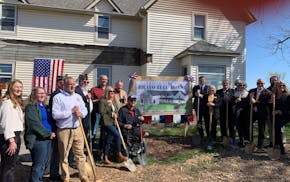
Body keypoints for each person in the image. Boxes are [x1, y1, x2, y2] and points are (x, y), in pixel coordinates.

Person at [52, 76, 89, 182]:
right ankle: (65, 176)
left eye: (74, 84)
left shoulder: (77, 96)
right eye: (70, 84)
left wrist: (81, 113)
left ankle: (83, 175)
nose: (73, 86)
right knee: (64, 155)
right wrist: (71, 112)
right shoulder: (58, 97)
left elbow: (85, 110)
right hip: (64, 130)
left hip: (77, 128)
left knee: (80, 154)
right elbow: (55, 115)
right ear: (64, 85)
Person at [24, 87, 56, 182]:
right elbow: (34, 124)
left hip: (48, 139)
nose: (42, 95)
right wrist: (48, 133)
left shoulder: (46, 107)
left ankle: (38, 179)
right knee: (38, 164)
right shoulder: (31, 107)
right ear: (34, 94)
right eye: (40, 93)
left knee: (45, 163)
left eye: (44, 93)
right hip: (38, 139)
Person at [0, 79, 24, 182]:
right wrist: (11, 140)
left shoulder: (16, 102)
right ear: (11, 88)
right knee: (8, 167)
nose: (19, 89)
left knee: (10, 166)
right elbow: (5, 123)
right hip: (9, 137)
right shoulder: (7, 103)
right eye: (16, 87)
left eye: (20, 87)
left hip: (16, 135)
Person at [99, 86, 127, 165]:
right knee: (117, 135)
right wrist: (109, 106)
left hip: (113, 122)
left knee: (109, 140)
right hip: (106, 123)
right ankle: (119, 153)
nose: (112, 93)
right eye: (110, 92)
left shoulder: (113, 101)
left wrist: (116, 114)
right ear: (106, 93)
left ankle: (105, 158)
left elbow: (117, 110)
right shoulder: (103, 101)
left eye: (113, 92)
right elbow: (102, 112)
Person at [48, 75, 64, 180]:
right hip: (56, 125)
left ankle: (55, 171)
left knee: (59, 151)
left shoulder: (63, 94)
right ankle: (53, 174)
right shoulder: (56, 94)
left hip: (61, 125)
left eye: (63, 81)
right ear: (58, 83)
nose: (62, 83)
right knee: (56, 151)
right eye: (61, 82)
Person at [248, 79, 272, 151]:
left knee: (261, 129)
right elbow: (247, 101)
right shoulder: (252, 91)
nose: (260, 85)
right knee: (249, 126)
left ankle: (260, 145)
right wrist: (250, 99)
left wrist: (255, 103)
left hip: (262, 113)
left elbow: (265, 103)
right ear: (256, 83)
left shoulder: (268, 92)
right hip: (253, 113)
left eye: (262, 83)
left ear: (264, 84)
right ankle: (250, 142)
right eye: (258, 83)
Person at [75, 74, 93, 148]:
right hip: (81, 115)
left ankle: (82, 148)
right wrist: (85, 98)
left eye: (87, 82)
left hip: (88, 114)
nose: (86, 84)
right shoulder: (77, 89)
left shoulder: (86, 90)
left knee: (86, 131)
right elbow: (77, 101)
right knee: (81, 133)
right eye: (84, 82)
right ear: (80, 81)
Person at [91, 74, 108, 149]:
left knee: (104, 132)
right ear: (99, 80)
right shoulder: (94, 89)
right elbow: (90, 101)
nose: (104, 81)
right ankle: (90, 149)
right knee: (94, 132)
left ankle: (101, 149)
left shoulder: (109, 90)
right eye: (102, 79)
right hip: (97, 114)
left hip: (106, 115)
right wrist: (99, 100)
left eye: (105, 79)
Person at [216, 79, 235, 144]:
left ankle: (232, 138)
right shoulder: (218, 91)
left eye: (227, 83)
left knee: (231, 125)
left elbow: (234, 100)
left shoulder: (233, 91)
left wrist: (230, 99)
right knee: (223, 125)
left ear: (229, 84)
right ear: (222, 84)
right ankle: (224, 138)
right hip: (222, 110)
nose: (225, 85)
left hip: (230, 111)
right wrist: (223, 99)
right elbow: (217, 100)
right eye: (224, 83)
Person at [272, 81, 289, 154]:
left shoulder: (287, 96)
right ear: (276, 87)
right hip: (276, 115)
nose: (281, 87)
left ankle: (281, 147)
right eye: (279, 86)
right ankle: (277, 145)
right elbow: (270, 105)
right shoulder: (274, 96)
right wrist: (271, 100)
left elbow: (288, 108)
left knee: (278, 126)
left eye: (283, 85)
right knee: (276, 128)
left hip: (286, 115)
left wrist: (279, 111)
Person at [192, 76, 209, 141]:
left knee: (206, 121)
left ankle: (208, 135)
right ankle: (201, 135)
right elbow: (192, 95)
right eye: (201, 80)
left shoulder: (207, 88)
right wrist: (195, 94)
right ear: (199, 81)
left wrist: (201, 95)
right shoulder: (195, 87)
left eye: (203, 80)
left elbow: (208, 96)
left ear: (205, 81)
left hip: (205, 107)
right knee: (199, 121)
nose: (202, 81)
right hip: (198, 107)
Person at [233, 81, 250, 147]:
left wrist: (242, 108)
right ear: (238, 86)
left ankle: (246, 141)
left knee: (245, 127)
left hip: (245, 113)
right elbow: (232, 102)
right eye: (240, 85)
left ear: (245, 86)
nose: (242, 86)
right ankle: (241, 140)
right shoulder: (236, 93)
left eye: (243, 85)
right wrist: (235, 101)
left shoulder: (247, 94)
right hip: (237, 113)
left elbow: (248, 103)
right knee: (239, 127)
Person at [266, 75, 279, 147]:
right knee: (270, 128)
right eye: (273, 80)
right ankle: (271, 142)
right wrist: (270, 100)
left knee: (279, 128)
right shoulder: (267, 90)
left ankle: (280, 142)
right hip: (270, 112)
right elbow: (265, 101)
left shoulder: (280, 88)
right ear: (270, 81)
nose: (274, 81)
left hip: (278, 112)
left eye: (275, 80)